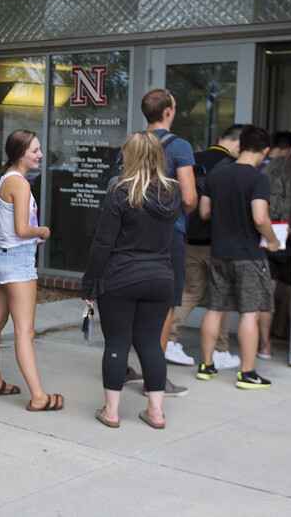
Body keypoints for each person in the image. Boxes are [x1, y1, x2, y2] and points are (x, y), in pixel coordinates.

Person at [83, 131, 182, 429]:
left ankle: (111, 412)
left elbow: (103, 244)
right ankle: (155, 412)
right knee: (151, 344)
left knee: (117, 343)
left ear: (130, 156)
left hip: (121, 278)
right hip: (161, 277)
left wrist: (89, 283)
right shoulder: (173, 193)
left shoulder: (119, 193)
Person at [123, 89, 196, 398]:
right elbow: (190, 199)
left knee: (127, 300)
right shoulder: (179, 146)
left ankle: (121, 365)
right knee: (164, 303)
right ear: (168, 111)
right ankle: (157, 376)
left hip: (129, 231)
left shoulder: (131, 145)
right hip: (168, 234)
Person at [0, 129, 61, 411]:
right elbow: (22, 229)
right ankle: (39, 396)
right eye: (35, 150)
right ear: (19, 154)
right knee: (25, 332)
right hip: (17, 261)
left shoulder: (2, 179)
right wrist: (42, 231)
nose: (40, 155)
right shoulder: (21, 184)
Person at [197, 125, 280, 389]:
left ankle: (206, 365)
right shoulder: (258, 179)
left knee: (215, 309)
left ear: (240, 145)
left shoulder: (217, 175)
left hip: (219, 252)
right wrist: (274, 240)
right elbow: (260, 218)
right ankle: (247, 373)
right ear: (265, 150)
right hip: (248, 255)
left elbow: (204, 213)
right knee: (249, 313)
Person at [166, 125, 244, 370]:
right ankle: (220, 349)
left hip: (189, 237)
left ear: (221, 139)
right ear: (239, 146)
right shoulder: (232, 168)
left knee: (191, 290)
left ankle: (169, 338)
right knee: (222, 296)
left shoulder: (193, 159)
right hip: (217, 242)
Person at [259, 131, 291, 359]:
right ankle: (289, 336)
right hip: (289, 235)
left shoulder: (258, 166)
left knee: (267, 291)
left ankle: (265, 344)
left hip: (263, 233)